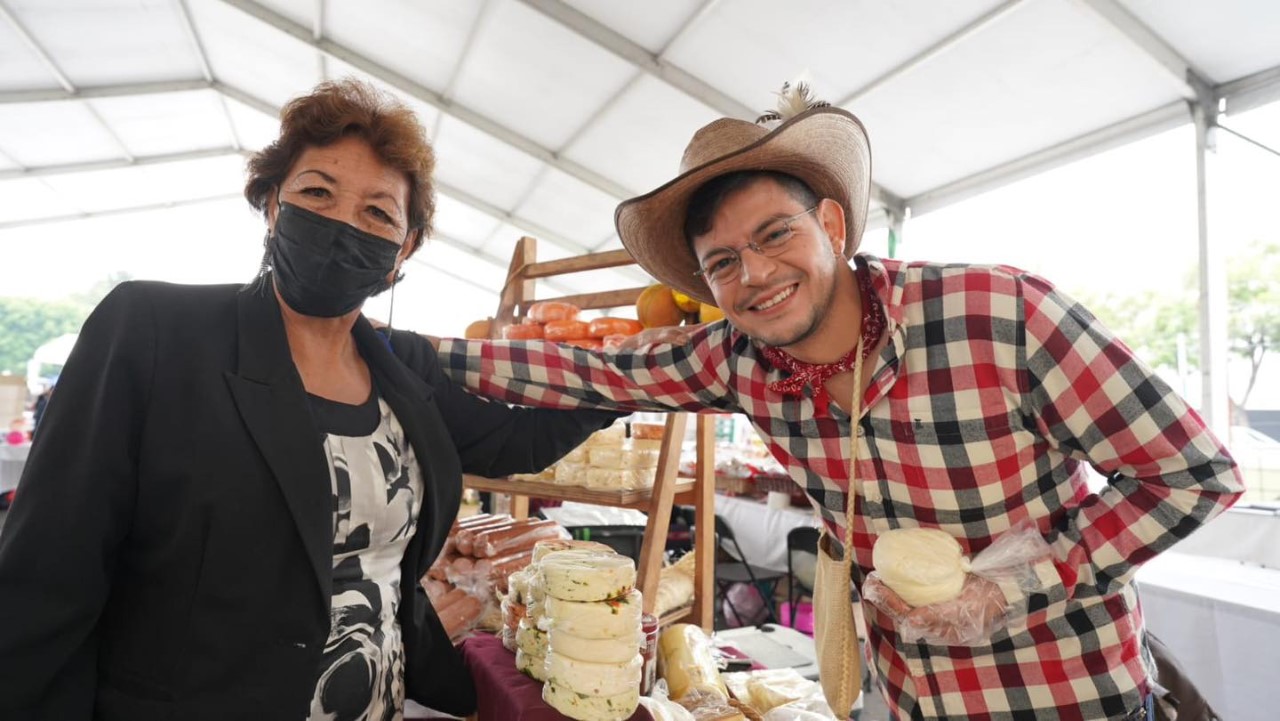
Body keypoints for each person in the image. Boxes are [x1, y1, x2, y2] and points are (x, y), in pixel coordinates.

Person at [432, 84, 1244, 720]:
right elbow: (589, 370)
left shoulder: (999, 314)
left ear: (831, 221)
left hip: (1072, 698)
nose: (753, 274)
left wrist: (1010, 587)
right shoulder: (740, 358)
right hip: (912, 701)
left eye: (775, 234)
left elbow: (1194, 473)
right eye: (722, 262)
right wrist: (411, 354)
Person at [0, 79, 618, 721]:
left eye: (378, 213)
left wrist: (634, 383)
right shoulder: (154, 331)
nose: (341, 224)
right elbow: (47, 576)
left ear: (400, 253)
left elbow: (515, 442)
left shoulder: (404, 367)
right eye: (317, 192)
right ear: (272, 204)